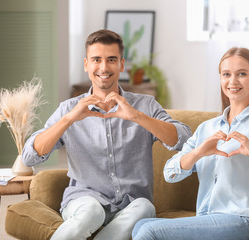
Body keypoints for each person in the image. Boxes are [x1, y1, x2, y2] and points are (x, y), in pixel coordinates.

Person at [22, 29, 191, 240]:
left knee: (144, 208)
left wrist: (137, 117)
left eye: (111, 59)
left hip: (133, 204)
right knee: (93, 211)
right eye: (96, 60)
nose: (103, 67)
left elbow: (185, 140)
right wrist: (68, 120)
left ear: (121, 64)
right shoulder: (69, 109)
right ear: (86, 64)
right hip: (84, 201)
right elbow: (29, 157)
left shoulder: (144, 105)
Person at [132, 47, 249, 240]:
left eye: (241, 74)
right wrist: (198, 153)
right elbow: (169, 173)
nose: (233, 81)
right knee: (141, 225)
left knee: (149, 231)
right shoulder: (207, 128)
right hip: (208, 219)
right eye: (226, 74)